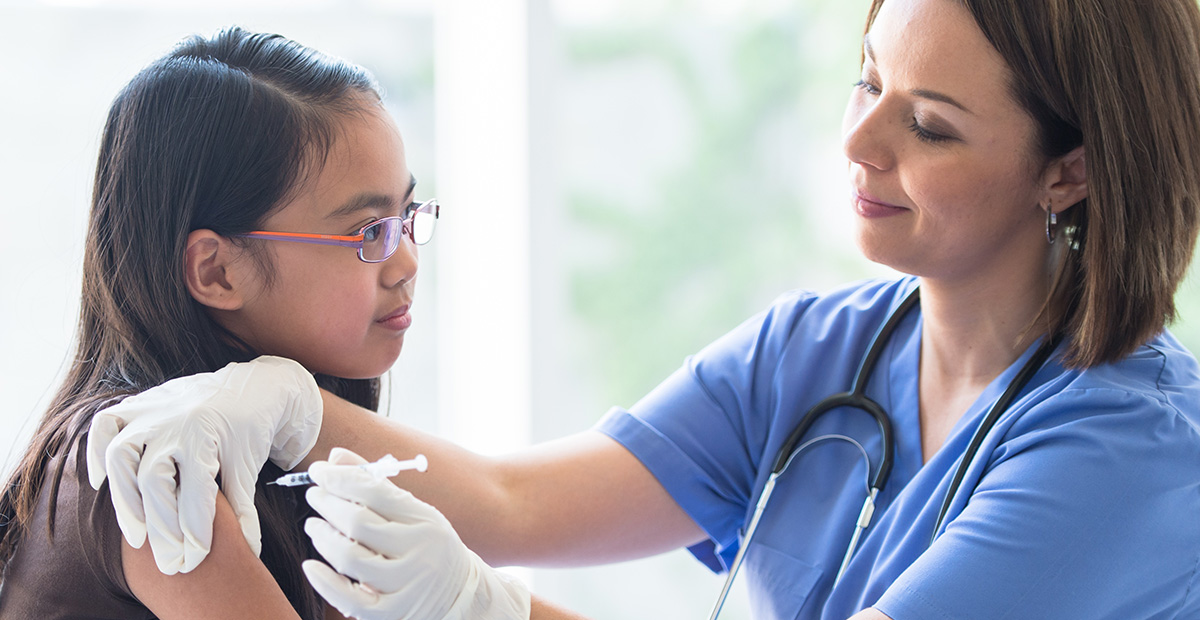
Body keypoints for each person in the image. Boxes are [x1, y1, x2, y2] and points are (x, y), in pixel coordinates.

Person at [83, 0, 1200, 618]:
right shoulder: (822, 349)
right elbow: (513, 497)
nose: (858, 142)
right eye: (868, 82)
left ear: (1072, 171)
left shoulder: (1132, 453)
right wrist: (281, 403)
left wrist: (488, 613)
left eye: (932, 124)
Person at [0, 26, 523, 620]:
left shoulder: (275, 452)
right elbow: (516, 502)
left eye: (406, 216)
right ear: (218, 270)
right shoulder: (151, 469)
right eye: (367, 231)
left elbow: (521, 503)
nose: (406, 262)